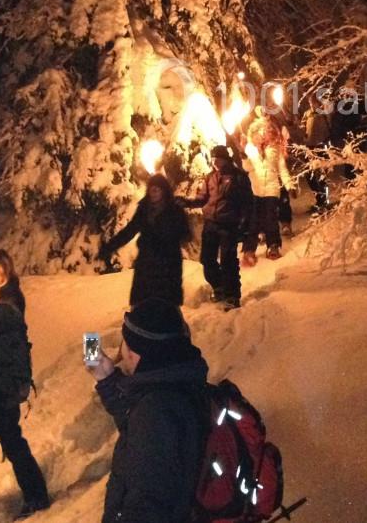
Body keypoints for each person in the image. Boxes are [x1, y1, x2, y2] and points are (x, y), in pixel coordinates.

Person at [85, 298, 209, 523]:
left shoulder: (156, 412)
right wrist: (107, 380)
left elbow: (147, 508)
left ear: (136, 353)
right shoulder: (176, 384)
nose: (122, 351)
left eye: (125, 343)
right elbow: (137, 425)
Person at [0, 250, 51, 518]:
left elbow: (0, 339)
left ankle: (36, 495)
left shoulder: (10, 298)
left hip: (2, 380)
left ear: (6, 270)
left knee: (10, 438)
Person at [101, 174, 192, 306]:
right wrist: (110, 246)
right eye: (151, 189)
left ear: (164, 191)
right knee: (143, 302)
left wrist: (170, 234)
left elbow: (185, 234)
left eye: (156, 190)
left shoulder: (175, 210)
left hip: (167, 264)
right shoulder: (144, 209)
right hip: (147, 262)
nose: (153, 193)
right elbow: (130, 230)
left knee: (166, 304)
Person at [181, 145, 253, 309]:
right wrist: (186, 202)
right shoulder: (211, 177)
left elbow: (248, 203)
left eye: (218, 159)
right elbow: (202, 198)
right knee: (207, 259)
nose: (215, 163)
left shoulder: (238, 177)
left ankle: (232, 295)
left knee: (228, 261)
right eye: (213, 159)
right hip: (211, 224)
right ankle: (219, 286)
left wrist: (245, 224)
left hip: (229, 224)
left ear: (225, 159)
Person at [243, 139, 293, 265]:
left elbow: (282, 169)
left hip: (272, 188)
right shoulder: (250, 147)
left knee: (271, 218)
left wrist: (289, 185)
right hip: (256, 188)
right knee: (254, 219)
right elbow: (247, 168)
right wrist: (244, 156)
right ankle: (249, 249)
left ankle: (273, 245)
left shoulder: (275, 149)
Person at [301, 95, 333, 213]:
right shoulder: (307, 114)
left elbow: (329, 126)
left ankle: (325, 202)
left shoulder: (324, 113)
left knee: (322, 175)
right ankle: (319, 199)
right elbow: (303, 128)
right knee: (309, 174)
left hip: (321, 147)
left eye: (313, 102)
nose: (311, 104)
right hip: (309, 146)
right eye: (310, 102)